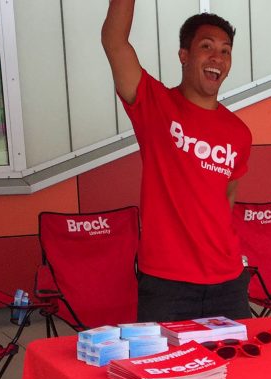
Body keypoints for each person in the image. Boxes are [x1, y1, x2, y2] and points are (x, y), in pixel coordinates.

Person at [102, 2, 253, 322]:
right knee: (162, 371)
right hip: (167, 283)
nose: (218, 58)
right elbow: (114, 42)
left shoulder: (239, 132)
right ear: (184, 55)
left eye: (225, 51)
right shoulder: (155, 105)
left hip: (228, 280)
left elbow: (227, 196)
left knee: (237, 370)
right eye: (207, 46)